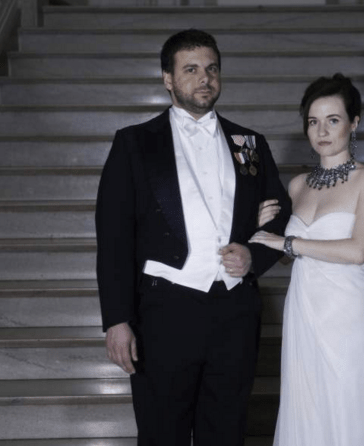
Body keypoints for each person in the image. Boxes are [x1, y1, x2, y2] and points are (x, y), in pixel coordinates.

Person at [95, 29, 291, 446]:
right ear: (168, 78)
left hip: (235, 312)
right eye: (191, 69)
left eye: (212, 69)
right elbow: (113, 239)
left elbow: (281, 213)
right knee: (161, 434)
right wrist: (116, 319)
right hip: (164, 311)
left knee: (226, 432)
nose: (205, 78)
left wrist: (254, 254)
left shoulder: (250, 143)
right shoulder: (134, 143)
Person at [250, 73, 364, 446]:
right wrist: (262, 227)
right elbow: (288, 257)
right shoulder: (297, 185)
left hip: (349, 313)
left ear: (354, 123)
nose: (321, 131)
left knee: (350, 408)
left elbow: (357, 251)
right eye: (313, 121)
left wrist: (288, 242)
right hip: (304, 310)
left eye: (333, 120)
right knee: (309, 412)